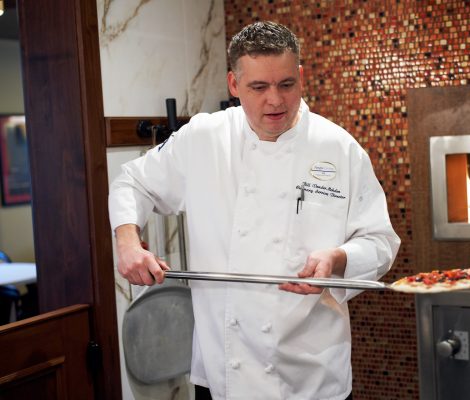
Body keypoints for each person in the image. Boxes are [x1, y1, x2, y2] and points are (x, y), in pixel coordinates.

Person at [109, 21, 400, 400]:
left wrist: (339, 258)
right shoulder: (204, 138)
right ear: (233, 84)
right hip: (224, 373)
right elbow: (133, 181)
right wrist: (128, 242)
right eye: (258, 87)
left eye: (286, 84)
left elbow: (380, 242)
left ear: (301, 75)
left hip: (311, 376)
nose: (275, 101)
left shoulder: (338, 148)